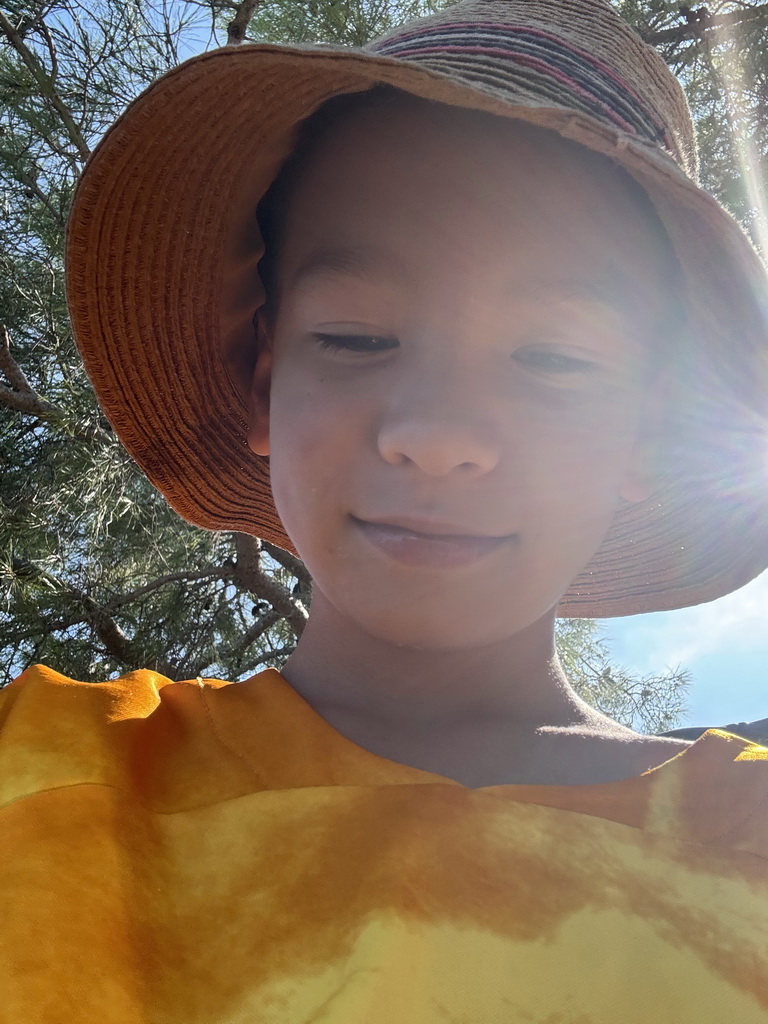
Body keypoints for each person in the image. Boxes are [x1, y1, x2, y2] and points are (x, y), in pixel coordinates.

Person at [3, 0, 768, 1019]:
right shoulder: (46, 770)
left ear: (647, 436)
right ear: (262, 380)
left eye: (554, 358)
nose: (437, 431)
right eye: (358, 339)